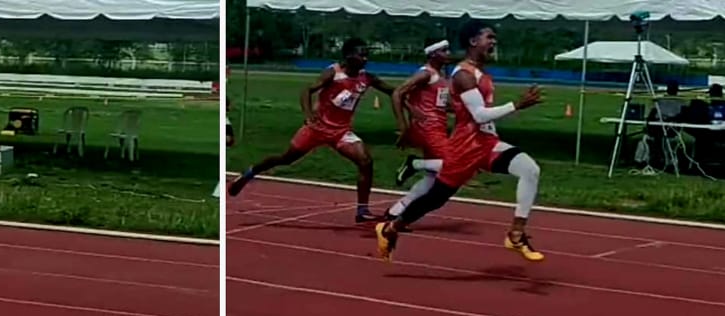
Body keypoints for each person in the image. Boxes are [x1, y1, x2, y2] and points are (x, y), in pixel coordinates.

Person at [376, 19, 545, 264]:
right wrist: (517, 105)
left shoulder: (480, 73)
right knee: (436, 198)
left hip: (486, 143)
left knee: (530, 169)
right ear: (473, 41)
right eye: (489, 37)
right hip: (466, 147)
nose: (494, 41)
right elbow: (479, 115)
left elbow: (469, 112)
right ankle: (391, 228)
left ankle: (516, 234)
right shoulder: (464, 75)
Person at [228, 38, 394, 224]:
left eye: (367, 55)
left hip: (341, 132)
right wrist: (309, 116)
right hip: (317, 128)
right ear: (348, 56)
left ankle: (362, 211)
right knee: (286, 159)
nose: (365, 59)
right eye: (361, 55)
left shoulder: (367, 78)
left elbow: (393, 91)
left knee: (365, 161)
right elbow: (307, 91)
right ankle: (250, 173)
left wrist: (411, 95)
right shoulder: (333, 73)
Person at [385, 39, 456, 227]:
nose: (448, 54)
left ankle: (395, 212)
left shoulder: (441, 76)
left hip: (437, 128)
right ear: (433, 54)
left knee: (432, 178)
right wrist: (403, 126)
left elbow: (442, 104)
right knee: (455, 165)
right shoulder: (425, 74)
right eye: (444, 50)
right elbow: (397, 93)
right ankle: (414, 164)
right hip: (428, 128)